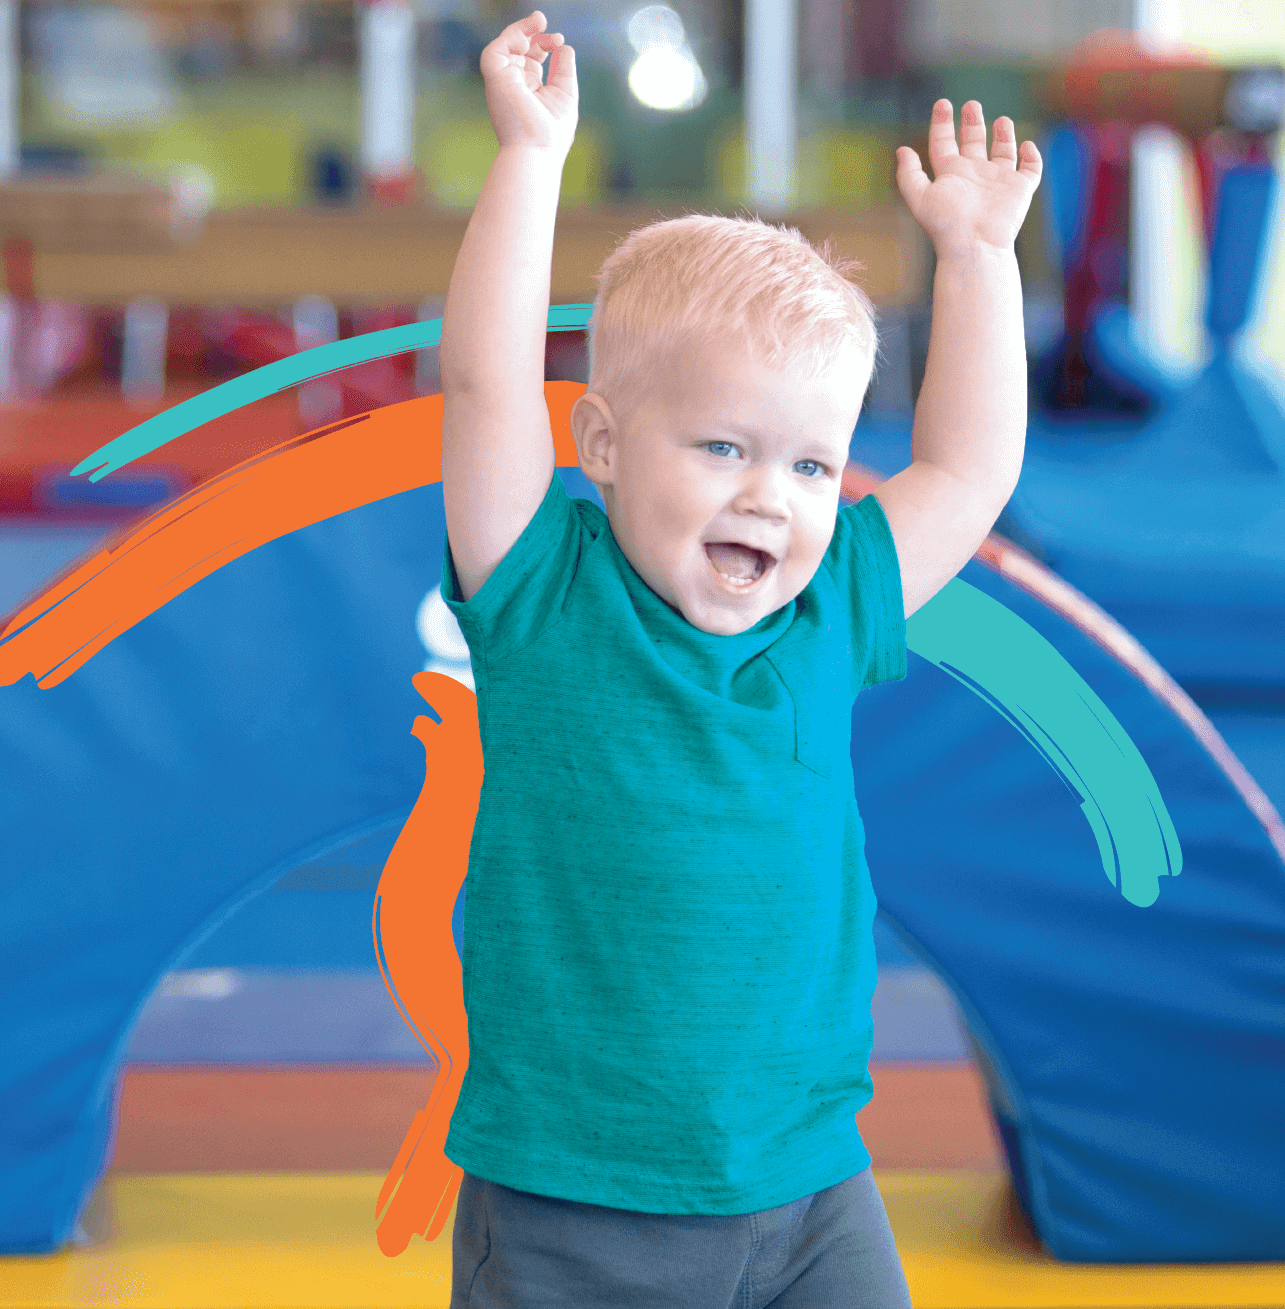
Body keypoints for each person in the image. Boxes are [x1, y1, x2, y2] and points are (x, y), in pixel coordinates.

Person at [434, 13, 1040, 1306]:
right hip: (574, 1206)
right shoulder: (548, 598)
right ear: (600, 444)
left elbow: (969, 469)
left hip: (812, 1190)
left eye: (811, 463)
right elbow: (487, 389)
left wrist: (979, 256)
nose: (773, 496)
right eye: (722, 448)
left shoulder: (832, 615)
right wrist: (530, 159)